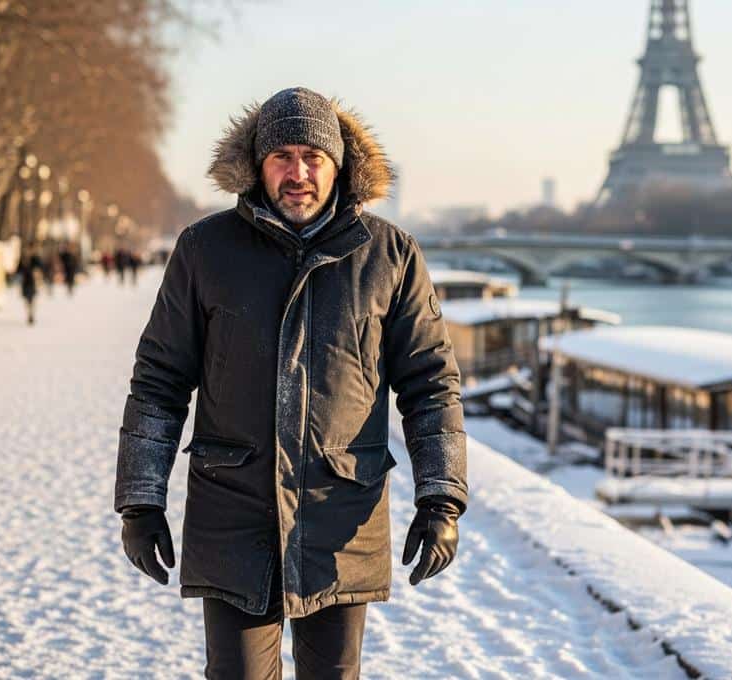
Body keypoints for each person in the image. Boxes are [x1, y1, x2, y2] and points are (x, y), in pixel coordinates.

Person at [113, 87, 467, 679]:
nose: (297, 172)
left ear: (338, 165)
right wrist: (140, 500)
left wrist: (442, 497)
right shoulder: (205, 249)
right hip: (233, 514)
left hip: (340, 515)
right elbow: (159, 381)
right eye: (281, 156)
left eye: (312, 156)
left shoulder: (389, 255)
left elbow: (431, 385)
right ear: (257, 163)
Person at [15, 247, 44, 325]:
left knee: (32, 300)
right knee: (27, 300)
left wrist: (39, 280)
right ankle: (29, 314)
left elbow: (40, 270)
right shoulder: (22, 260)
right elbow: (18, 272)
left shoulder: (35, 259)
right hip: (25, 283)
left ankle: (31, 314)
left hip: (33, 283)